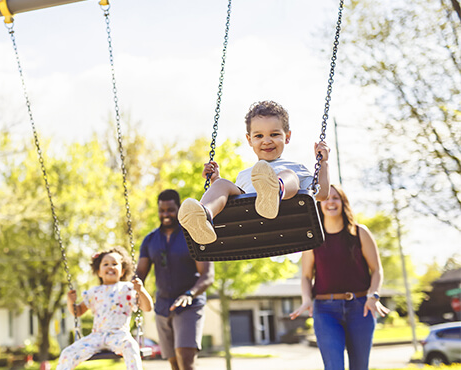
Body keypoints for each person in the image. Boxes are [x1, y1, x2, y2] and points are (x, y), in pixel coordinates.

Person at [177, 100, 331, 245]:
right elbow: (232, 201)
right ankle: (204, 217)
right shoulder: (245, 175)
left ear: (287, 137)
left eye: (274, 134)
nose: (266, 140)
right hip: (249, 218)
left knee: (289, 175)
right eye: (259, 136)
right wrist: (215, 179)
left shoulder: (296, 168)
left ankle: (275, 190)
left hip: (284, 216)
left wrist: (323, 163)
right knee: (223, 184)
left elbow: (321, 193)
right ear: (249, 139)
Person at [289, 184, 391, 370]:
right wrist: (306, 300)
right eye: (326, 198)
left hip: (361, 308)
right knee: (334, 367)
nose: (331, 202)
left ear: (343, 202)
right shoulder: (313, 238)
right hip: (326, 311)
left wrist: (373, 295)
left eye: (335, 197)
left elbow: (376, 270)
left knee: (359, 367)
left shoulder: (360, 233)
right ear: (318, 204)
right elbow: (305, 276)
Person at [136, 189, 215, 370]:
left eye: (170, 210)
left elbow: (207, 276)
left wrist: (190, 294)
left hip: (189, 305)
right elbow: (140, 272)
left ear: (178, 209)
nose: (165, 214)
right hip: (163, 307)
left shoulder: (193, 235)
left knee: (186, 360)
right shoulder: (150, 240)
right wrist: (132, 288)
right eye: (162, 210)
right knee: (174, 363)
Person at [56, 247, 153, 370]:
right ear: (99, 272)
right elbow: (78, 311)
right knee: (67, 353)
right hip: (96, 336)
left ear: (122, 271)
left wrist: (141, 290)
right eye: (105, 264)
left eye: (114, 264)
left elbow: (148, 307)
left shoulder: (128, 288)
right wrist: (71, 302)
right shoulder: (94, 292)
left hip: (119, 335)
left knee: (131, 347)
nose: (110, 267)